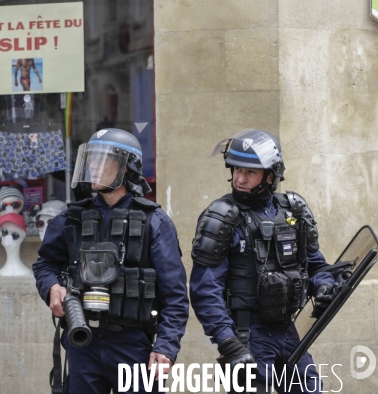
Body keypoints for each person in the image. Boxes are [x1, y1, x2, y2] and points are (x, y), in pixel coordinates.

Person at [32, 128, 189, 394]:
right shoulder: (71, 219)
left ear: (126, 167)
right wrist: (51, 287)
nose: (93, 166)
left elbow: (174, 295)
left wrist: (166, 347)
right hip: (82, 342)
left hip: (133, 344)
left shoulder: (154, 222)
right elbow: (45, 264)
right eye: (90, 158)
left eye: (102, 159)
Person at [189, 129, 336, 393]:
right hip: (247, 334)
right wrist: (227, 341)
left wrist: (324, 287)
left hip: (287, 331)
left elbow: (316, 265)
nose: (239, 179)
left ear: (270, 176)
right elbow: (204, 290)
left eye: (250, 173)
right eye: (236, 170)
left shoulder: (293, 211)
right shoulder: (222, 218)